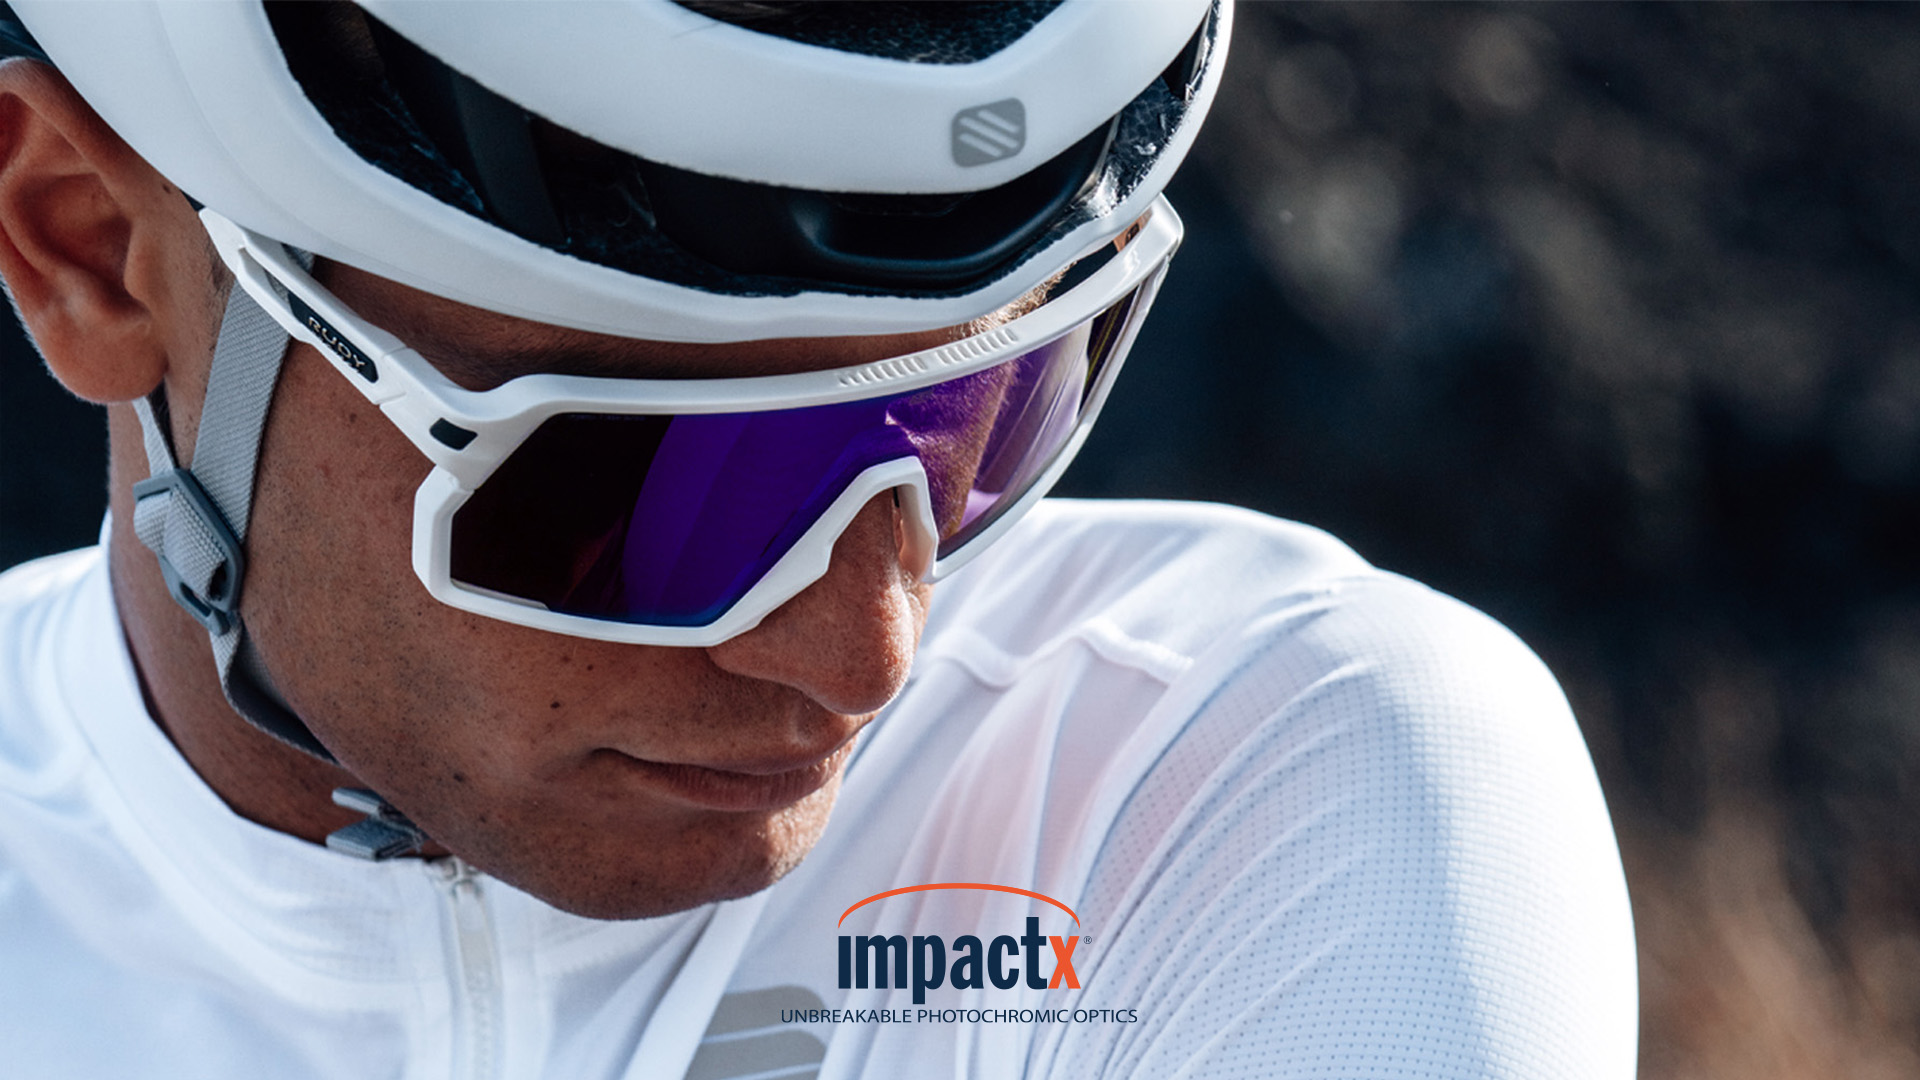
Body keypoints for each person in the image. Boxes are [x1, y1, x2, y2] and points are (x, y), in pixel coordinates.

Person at [0, 2, 1636, 1077]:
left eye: (981, 419)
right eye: (630, 493)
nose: (865, 651)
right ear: (85, 248)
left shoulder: (1246, 765)